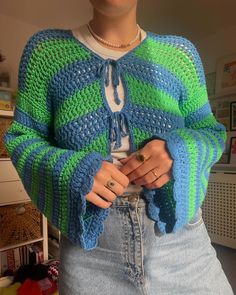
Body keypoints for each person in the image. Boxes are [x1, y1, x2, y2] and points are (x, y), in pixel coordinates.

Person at [3, 0, 234, 294]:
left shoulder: (180, 55)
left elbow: (211, 133)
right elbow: (23, 138)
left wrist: (178, 151)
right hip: (91, 251)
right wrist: (74, 171)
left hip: (180, 243)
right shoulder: (45, 53)